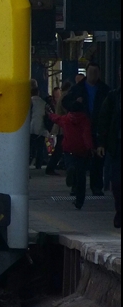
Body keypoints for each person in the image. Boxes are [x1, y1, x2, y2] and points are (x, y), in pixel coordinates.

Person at [63, 63, 110, 194]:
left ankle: (96, 186)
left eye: (95, 72)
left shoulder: (105, 90)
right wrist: (75, 104)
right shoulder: (77, 89)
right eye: (90, 72)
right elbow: (65, 102)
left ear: (99, 74)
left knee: (97, 159)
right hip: (80, 129)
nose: (93, 75)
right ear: (86, 73)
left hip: (98, 128)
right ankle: (76, 186)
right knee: (80, 159)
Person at [48, 103, 94, 209]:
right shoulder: (85, 120)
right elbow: (86, 134)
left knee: (71, 163)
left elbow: (57, 118)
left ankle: (70, 169)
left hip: (69, 148)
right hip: (82, 150)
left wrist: (50, 114)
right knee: (81, 176)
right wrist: (90, 148)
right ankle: (79, 201)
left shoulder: (66, 119)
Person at [97, 66, 121, 228]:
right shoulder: (113, 97)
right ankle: (120, 211)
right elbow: (104, 121)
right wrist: (101, 143)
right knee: (117, 182)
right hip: (117, 146)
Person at [44, 85, 65, 175]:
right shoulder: (59, 102)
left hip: (59, 126)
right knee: (59, 148)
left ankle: (51, 167)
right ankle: (51, 167)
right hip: (60, 127)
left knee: (59, 148)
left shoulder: (53, 103)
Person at [29, 79, 48, 170]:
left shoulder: (29, 102)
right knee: (40, 148)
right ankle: (38, 165)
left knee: (30, 148)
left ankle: (28, 163)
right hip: (41, 129)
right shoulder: (44, 103)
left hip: (30, 129)